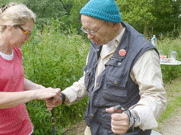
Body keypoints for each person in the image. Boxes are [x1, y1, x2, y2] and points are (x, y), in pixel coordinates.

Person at [46, 0, 167, 135]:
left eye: (93, 30)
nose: (88, 36)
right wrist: (64, 96)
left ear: (113, 24)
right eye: (85, 30)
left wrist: (132, 117)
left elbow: (156, 97)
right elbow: (90, 79)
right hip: (94, 127)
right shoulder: (97, 41)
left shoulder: (142, 52)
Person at [0, 3, 60, 135]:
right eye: (26, 32)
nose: (28, 38)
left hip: (22, 129)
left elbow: (15, 78)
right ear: (10, 27)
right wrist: (35, 94)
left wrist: (41, 90)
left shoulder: (16, 51)